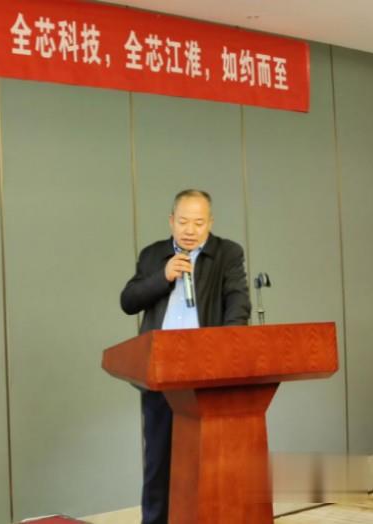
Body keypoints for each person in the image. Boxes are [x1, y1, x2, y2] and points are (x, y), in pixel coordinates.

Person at [120, 189, 251, 524]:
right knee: (159, 461)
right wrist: (163, 276)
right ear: (171, 221)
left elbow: (238, 302)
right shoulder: (153, 255)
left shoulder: (227, 253)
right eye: (183, 222)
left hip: (208, 370)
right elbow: (129, 301)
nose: (190, 230)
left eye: (198, 223)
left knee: (211, 460)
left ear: (210, 223)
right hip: (160, 372)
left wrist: (225, 349)